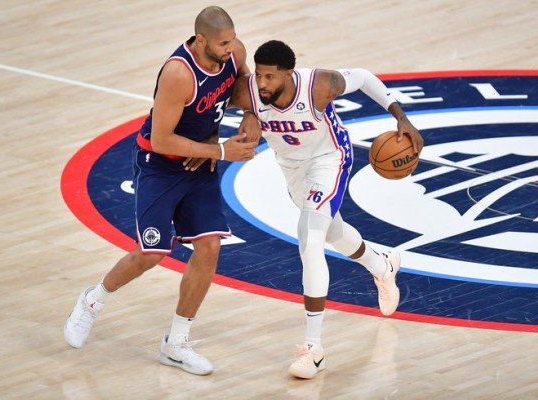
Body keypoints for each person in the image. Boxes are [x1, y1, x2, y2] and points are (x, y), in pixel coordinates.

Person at [63, 6, 261, 376]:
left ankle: (176, 344)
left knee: (210, 246)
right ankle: (92, 300)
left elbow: (246, 88)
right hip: (161, 164)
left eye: (232, 39)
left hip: (199, 162)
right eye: (222, 43)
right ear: (200, 40)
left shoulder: (234, 53)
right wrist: (219, 150)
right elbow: (161, 139)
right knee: (152, 252)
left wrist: (251, 116)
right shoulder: (178, 74)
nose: (230, 47)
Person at [228, 39, 424, 379]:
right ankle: (382, 265)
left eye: (270, 77)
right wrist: (243, 116)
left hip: (329, 160)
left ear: (289, 74)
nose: (262, 83)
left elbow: (363, 77)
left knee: (311, 239)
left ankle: (313, 349)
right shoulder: (250, 92)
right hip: (292, 169)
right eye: (259, 75)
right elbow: (208, 103)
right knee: (333, 231)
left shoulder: (318, 85)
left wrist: (401, 117)